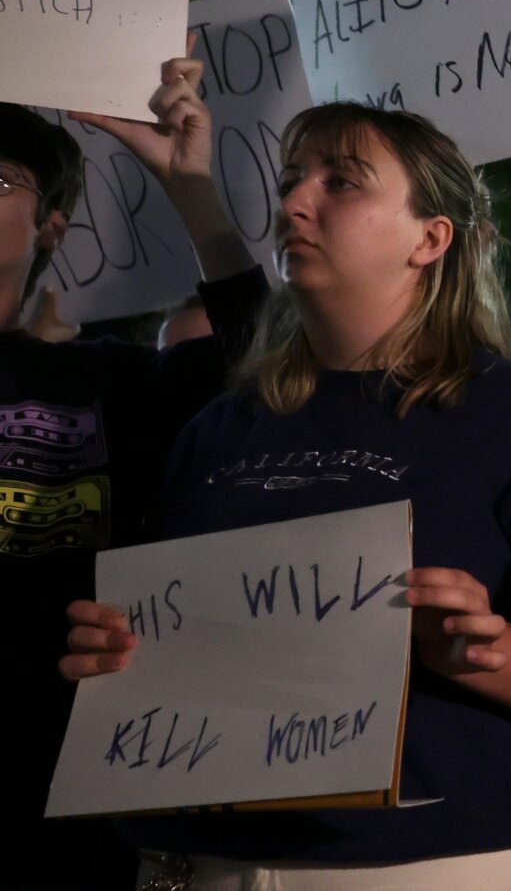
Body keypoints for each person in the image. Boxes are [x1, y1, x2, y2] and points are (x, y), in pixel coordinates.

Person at [59, 102, 511, 889]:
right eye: (293, 178)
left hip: (422, 862)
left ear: (430, 238)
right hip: (192, 860)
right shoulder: (218, 428)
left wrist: (488, 651)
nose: (296, 201)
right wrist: (119, 654)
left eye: (342, 182)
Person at [2, 52, 267, 888]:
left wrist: (191, 185)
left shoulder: (106, 386)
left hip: (57, 806)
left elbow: (269, 369)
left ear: (51, 223)